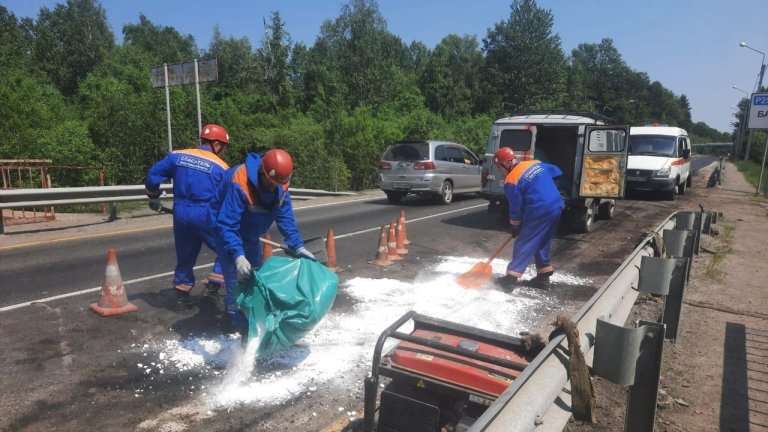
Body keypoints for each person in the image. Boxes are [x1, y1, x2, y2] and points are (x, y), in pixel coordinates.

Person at [215, 148, 315, 330]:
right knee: (234, 282)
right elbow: (227, 225)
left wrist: (297, 245)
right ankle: (234, 324)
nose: (274, 188)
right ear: (262, 172)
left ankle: (253, 319)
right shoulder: (240, 181)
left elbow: (285, 217)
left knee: (255, 279)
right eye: (271, 184)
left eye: (278, 184)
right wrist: (238, 255)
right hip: (228, 229)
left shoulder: (281, 185)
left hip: (252, 234)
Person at [145, 124, 230, 306]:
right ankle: (214, 286)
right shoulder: (222, 167)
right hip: (206, 213)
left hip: (181, 212)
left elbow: (153, 174)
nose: (223, 150)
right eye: (223, 146)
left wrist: (153, 195)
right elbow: (228, 198)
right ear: (216, 144)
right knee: (227, 247)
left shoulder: (177, 156)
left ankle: (181, 296)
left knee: (185, 254)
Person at [493, 147, 564, 288]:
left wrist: (515, 225)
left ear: (506, 163)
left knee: (525, 241)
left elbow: (515, 208)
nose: (500, 171)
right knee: (542, 239)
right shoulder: (534, 163)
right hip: (556, 204)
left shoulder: (511, 180)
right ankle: (543, 276)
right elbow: (557, 171)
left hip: (539, 208)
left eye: (499, 167)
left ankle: (510, 278)